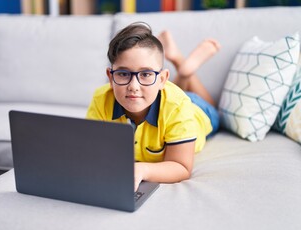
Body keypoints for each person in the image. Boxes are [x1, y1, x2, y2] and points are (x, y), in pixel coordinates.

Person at [86, 22, 220, 191]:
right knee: (158, 94)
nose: (133, 86)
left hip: (197, 109)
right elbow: (93, 149)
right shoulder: (101, 99)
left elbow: (182, 167)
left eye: (146, 74)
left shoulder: (179, 107)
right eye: (123, 73)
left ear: (163, 79)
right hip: (161, 96)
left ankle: (184, 69)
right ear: (110, 77)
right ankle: (181, 73)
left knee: (214, 109)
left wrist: (143, 168)